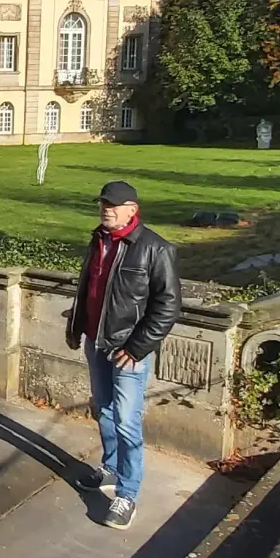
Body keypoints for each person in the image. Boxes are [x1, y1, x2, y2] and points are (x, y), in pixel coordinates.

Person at [66, 180, 181, 530]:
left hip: (128, 351)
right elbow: (88, 289)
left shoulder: (155, 249)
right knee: (102, 410)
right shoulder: (98, 240)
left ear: (133, 209)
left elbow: (168, 305)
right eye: (103, 203)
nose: (106, 209)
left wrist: (137, 347)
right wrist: (76, 328)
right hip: (96, 342)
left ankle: (127, 495)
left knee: (127, 422)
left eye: (113, 205)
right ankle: (112, 469)